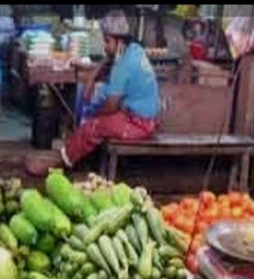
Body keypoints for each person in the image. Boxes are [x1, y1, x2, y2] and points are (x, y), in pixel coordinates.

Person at [25, 10, 159, 175]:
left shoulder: (122, 66)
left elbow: (110, 106)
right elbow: (107, 66)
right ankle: (70, 155)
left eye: (107, 41)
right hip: (143, 119)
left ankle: (59, 162)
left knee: (92, 126)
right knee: (91, 116)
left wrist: (95, 116)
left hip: (138, 124)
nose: (104, 46)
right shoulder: (134, 50)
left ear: (119, 41)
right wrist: (95, 73)